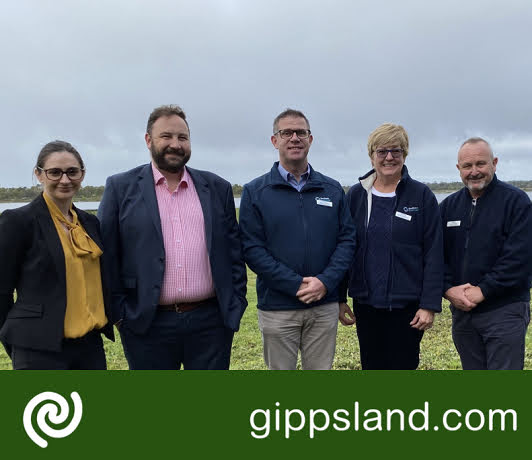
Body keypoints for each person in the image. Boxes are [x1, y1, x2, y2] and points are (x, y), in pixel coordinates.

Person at [98, 104, 247, 370]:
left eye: (182, 137)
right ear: (148, 140)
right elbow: (108, 256)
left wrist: (235, 305)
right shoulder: (120, 188)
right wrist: (121, 315)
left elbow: (233, 252)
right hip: (146, 324)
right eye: (166, 136)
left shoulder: (217, 188)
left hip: (210, 324)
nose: (175, 144)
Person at [239, 108, 355, 370]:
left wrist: (325, 282)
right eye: (286, 132)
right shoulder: (255, 192)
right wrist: (294, 284)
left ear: (310, 139)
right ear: (274, 140)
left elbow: (347, 241)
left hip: (323, 305)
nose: (294, 138)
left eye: (301, 132)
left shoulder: (332, 189)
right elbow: (252, 249)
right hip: (278, 307)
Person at [0, 140, 114, 369]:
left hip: (90, 347)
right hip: (39, 350)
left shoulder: (90, 223)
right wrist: (17, 341)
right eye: (55, 172)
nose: (65, 180)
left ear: (82, 175)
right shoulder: (18, 221)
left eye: (72, 172)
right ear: (39, 175)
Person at [339, 123, 443, 370]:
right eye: (382, 151)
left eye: (395, 151)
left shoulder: (421, 196)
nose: (388, 157)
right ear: (371, 155)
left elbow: (434, 253)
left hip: (406, 306)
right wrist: (339, 297)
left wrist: (429, 305)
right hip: (366, 303)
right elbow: (344, 247)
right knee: (372, 367)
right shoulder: (356, 195)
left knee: (403, 367)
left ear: (404, 154)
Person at [440, 137, 532, 370]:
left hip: (504, 310)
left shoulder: (516, 202)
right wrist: (448, 289)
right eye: (467, 166)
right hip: (463, 313)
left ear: (495, 163)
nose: (474, 172)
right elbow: (435, 256)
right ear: (458, 168)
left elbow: (520, 258)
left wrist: (484, 290)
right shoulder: (448, 207)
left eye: (480, 164)